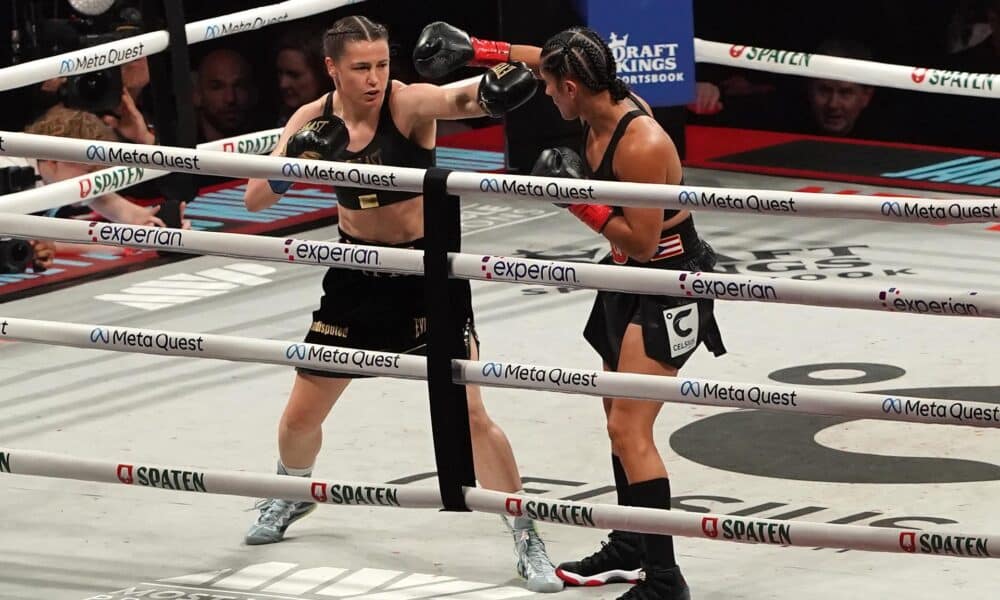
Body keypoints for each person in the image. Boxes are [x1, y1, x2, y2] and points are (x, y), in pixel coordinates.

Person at [241, 15, 560, 593]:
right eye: (361, 67)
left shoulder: (409, 105)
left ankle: (525, 533)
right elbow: (255, 196)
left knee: (470, 416)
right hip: (356, 276)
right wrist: (300, 161)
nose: (374, 78)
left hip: (425, 275)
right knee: (299, 418)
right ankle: (291, 493)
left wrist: (493, 75)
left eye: (382, 64)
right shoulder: (310, 119)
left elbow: (481, 97)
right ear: (332, 67)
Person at [414, 22, 729, 600]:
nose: (545, 93)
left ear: (573, 88)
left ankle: (665, 580)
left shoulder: (641, 143)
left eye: (550, 87)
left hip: (668, 281)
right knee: (615, 416)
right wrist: (479, 51)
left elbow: (640, 240)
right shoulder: (594, 93)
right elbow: (542, 57)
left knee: (627, 427)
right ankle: (633, 543)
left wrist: (576, 197)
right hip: (621, 279)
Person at [193, 48, 258, 142]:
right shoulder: (178, 152)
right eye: (217, 87)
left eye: (239, 86)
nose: (230, 98)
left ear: (253, 93)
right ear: (197, 95)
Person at [273, 28, 333, 126]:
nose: (283, 84)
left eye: (294, 75)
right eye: (280, 73)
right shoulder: (278, 118)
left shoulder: (347, 118)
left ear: (321, 74)